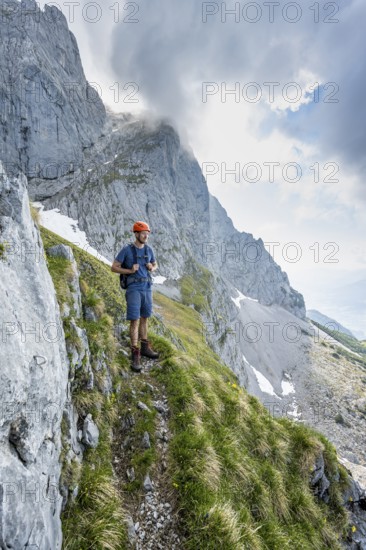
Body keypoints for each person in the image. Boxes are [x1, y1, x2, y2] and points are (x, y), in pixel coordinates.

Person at [111, 221, 160, 372]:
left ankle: (145, 347)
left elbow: (155, 264)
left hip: (147, 287)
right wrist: (130, 271)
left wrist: (152, 267)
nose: (146, 236)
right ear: (136, 234)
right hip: (133, 288)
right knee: (135, 320)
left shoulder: (149, 250)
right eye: (143, 233)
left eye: (147, 233)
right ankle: (135, 353)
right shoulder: (127, 250)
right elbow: (113, 267)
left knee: (145, 317)